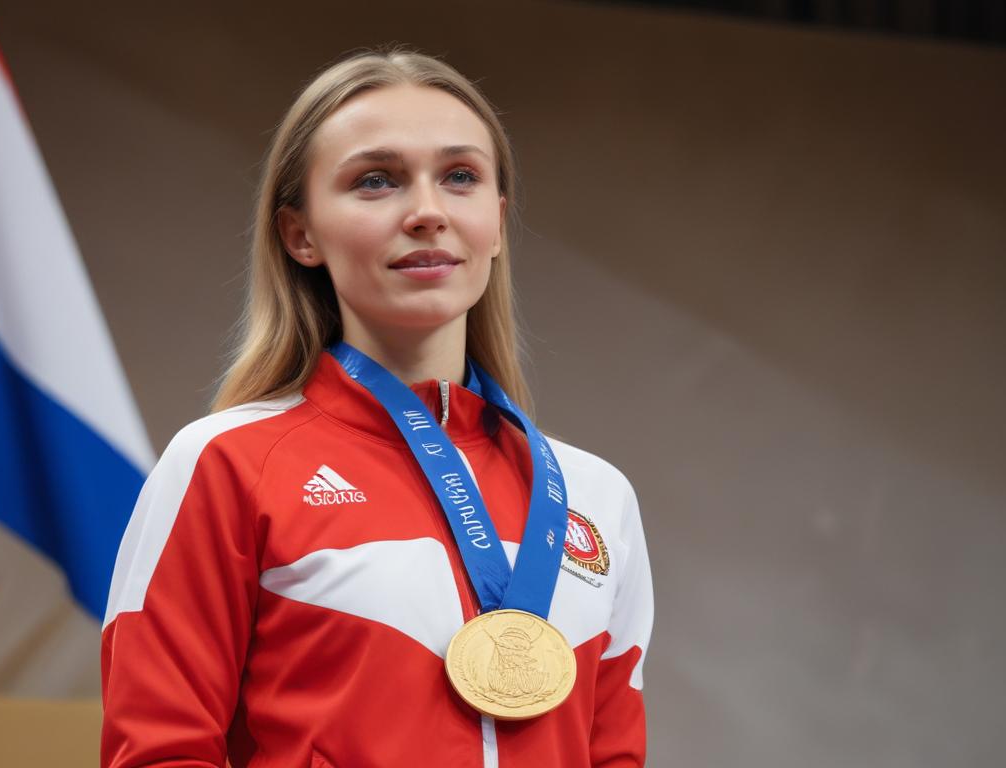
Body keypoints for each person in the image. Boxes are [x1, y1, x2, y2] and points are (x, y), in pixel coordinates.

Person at [101, 46, 653, 768]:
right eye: (376, 181)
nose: (427, 212)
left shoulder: (595, 496)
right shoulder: (227, 464)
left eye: (460, 177)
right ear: (300, 234)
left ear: (496, 220)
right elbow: (159, 751)